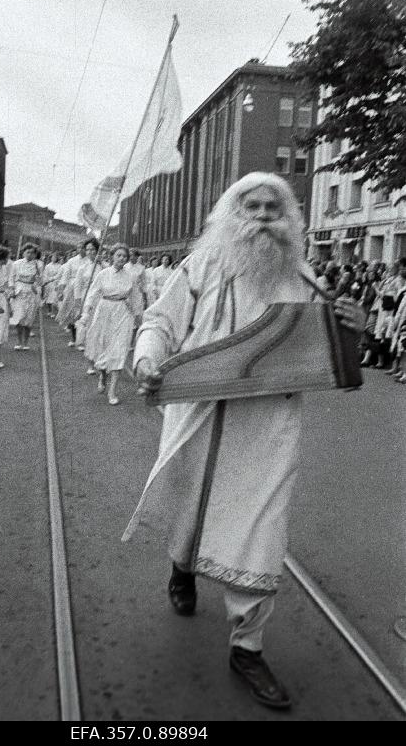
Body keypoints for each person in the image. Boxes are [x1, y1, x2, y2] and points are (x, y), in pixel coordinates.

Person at [125, 172, 364, 711]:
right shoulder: (202, 264)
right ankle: (182, 569)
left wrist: (355, 325)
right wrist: (147, 358)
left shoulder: (303, 277)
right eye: (250, 206)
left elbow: (337, 352)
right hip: (200, 415)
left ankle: (247, 647)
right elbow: (160, 320)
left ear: (290, 219)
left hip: (269, 431)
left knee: (262, 530)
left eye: (272, 208)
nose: (261, 216)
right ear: (230, 215)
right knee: (193, 509)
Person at [80, 243, 142, 405]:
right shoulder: (103, 274)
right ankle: (102, 375)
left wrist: (138, 316)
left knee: (119, 350)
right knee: (103, 349)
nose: (121, 258)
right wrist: (86, 312)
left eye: (124, 256)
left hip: (122, 313)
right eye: (118, 255)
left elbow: (136, 297)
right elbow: (92, 294)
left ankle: (112, 391)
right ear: (112, 256)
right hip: (104, 311)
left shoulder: (130, 277)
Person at [9, 243, 42, 350]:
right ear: (23, 252)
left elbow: (41, 279)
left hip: (31, 292)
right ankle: (19, 341)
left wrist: (36, 286)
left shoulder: (38, 265)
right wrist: (12, 289)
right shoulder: (16, 264)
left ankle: (26, 342)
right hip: (19, 292)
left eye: (32, 252)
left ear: (35, 254)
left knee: (29, 318)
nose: (30, 254)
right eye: (27, 252)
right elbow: (11, 278)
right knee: (19, 317)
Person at [73, 239, 101, 360]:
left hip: (100, 298)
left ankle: (97, 348)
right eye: (88, 249)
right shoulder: (82, 267)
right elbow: (77, 286)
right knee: (87, 322)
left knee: (99, 324)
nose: (90, 252)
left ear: (97, 250)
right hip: (86, 296)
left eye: (92, 249)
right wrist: (78, 301)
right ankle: (89, 350)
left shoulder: (103, 266)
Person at [56, 243, 86, 346]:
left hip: (86, 288)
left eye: (83, 248)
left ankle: (83, 340)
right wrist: (61, 290)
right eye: (79, 247)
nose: (81, 249)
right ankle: (74, 338)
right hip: (73, 288)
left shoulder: (90, 261)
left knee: (85, 313)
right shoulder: (72, 261)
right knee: (74, 313)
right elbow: (65, 276)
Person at [42, 252, 62, 318]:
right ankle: (49, 311)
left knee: (53, 298)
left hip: (55, 283)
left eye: (55, 257)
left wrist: (53, 279)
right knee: (48, 298)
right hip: (48, 283)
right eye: (52, 257)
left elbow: (59, 275)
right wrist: (47, 280)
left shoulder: (59, 266)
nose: (54, 258)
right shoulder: (48, 266)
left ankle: (53, 312)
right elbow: (45, 274)